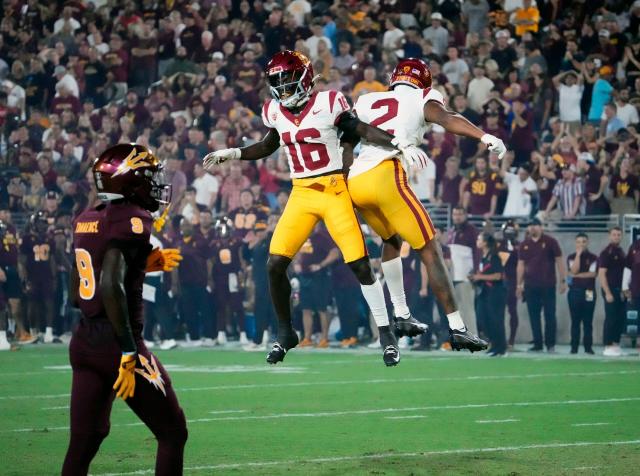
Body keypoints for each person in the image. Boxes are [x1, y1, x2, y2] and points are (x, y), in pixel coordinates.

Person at [204, 50, 428, 366]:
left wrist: (398, 144)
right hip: (302, 193)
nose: (282, 89)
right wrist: (235, 153)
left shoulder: (330, 102)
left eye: (288, 81)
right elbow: (269, 145)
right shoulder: (275, 111)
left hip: (335, 189)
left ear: (305, 79)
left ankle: (387, 335)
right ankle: (286, 333)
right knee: (274, 264)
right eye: (277, 83)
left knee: (361, 265)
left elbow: (362, 129)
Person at [346, 58, 507, 351]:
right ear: (423, 82)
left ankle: (401, 313)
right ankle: (458, 328)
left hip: (356, 181)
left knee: (391, 240)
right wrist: (484, 135)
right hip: (386, 176)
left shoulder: (368, 98)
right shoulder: (423, 97)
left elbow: (348, 135)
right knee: (430, 248)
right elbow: (447, 118)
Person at [61, 143, 187, 475]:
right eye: (147, 177)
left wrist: (143, 265)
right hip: (118, 346)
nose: (153, 184)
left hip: (84, 343)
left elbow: (77, 293)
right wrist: (129, 352)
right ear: (128, 181)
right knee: (173, 432)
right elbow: (109, 284)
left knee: (84, 441)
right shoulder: (132, 217)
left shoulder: (86, 218)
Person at [516, 218, 567, 353]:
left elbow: (560, 261)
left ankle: (550, 344)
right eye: (531, 226)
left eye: (536, 225)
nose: (533, 228)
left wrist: (563, 280)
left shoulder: (550, 242)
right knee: (534, 316)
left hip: (548, 285)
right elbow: (521, 265)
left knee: (550, 315)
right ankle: (537, 343)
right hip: (530, 285)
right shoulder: (524, 244)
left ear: (541, 227)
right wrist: (519, 285)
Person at [295, 225, 339, 348]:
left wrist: (321, 265)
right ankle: (307, 338)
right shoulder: (304, 238)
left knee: (322, 309)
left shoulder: (321, 237)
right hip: (305, 277)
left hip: (320, 277)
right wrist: (297, 263)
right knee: (306, 309)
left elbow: (335, 253)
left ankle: (324, 338)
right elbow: (299, 253)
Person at [19, 211, 57, 343]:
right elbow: (22, 260)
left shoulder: (49, 239)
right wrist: (24, 278)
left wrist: (54, 277)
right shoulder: (27, 239)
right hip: (32, 276)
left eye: (45, 223)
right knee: (32, 304)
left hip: (46, 276)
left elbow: (52, 259)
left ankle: (48, 332)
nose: (43, 226)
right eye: (41, 223)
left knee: (49, 303)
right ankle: (33, 331)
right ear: (34, 224)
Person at [208, 217, 248, 345]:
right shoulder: (214, 244)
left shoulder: (237, 242)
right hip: (220, 276)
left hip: (233, 275)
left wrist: (242, 276)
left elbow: (242, 260)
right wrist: (210, 278)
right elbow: (211, 261)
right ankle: (221, 333)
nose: (223, 232)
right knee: (221, 305)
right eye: (220, 229)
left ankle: (242, 333)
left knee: (237, 305)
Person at [470, 232, 507, 356]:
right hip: (484, 292)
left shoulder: (494, 256)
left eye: (479, 239)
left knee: (495, 320)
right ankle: (494, 344)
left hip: (495, 292)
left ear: (485, 242)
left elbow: (498, 275)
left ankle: (500, 347)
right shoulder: (483, 256)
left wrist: (480, 276)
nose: (477, 241)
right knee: (482, 319)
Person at [567, 233, 598, 354]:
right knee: (575, 321)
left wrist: (577, 275)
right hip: (575, 292)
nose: (581, 244)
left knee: (588, 321)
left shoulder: (594, 257)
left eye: (584, 241)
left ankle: (588, 347)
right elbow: (573, 270)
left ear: (587, 242)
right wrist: (578, 255)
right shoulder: (571, 257)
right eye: (579, 242)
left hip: (589, 292)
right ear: (575, 243)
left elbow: (593, 274)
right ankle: (574, 347)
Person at [598, 227, 627, 357]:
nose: (616, 237)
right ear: (610, 236)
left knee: (619, 318)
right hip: (610, 289)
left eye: (619, 235)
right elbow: (602, 274)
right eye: (614, 235)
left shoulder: (621, 252)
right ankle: (608, 344)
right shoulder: (606, 253)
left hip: (620, 290)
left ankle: (615, 343)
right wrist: (607, 292)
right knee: (610, 317)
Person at [498, 220, 520, 349]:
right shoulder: (499, 245)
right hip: (499, 282)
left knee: (512, 311)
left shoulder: (519, 246)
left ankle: (511, 340)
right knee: (498, 312)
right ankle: (498, 339)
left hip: (513, 281)